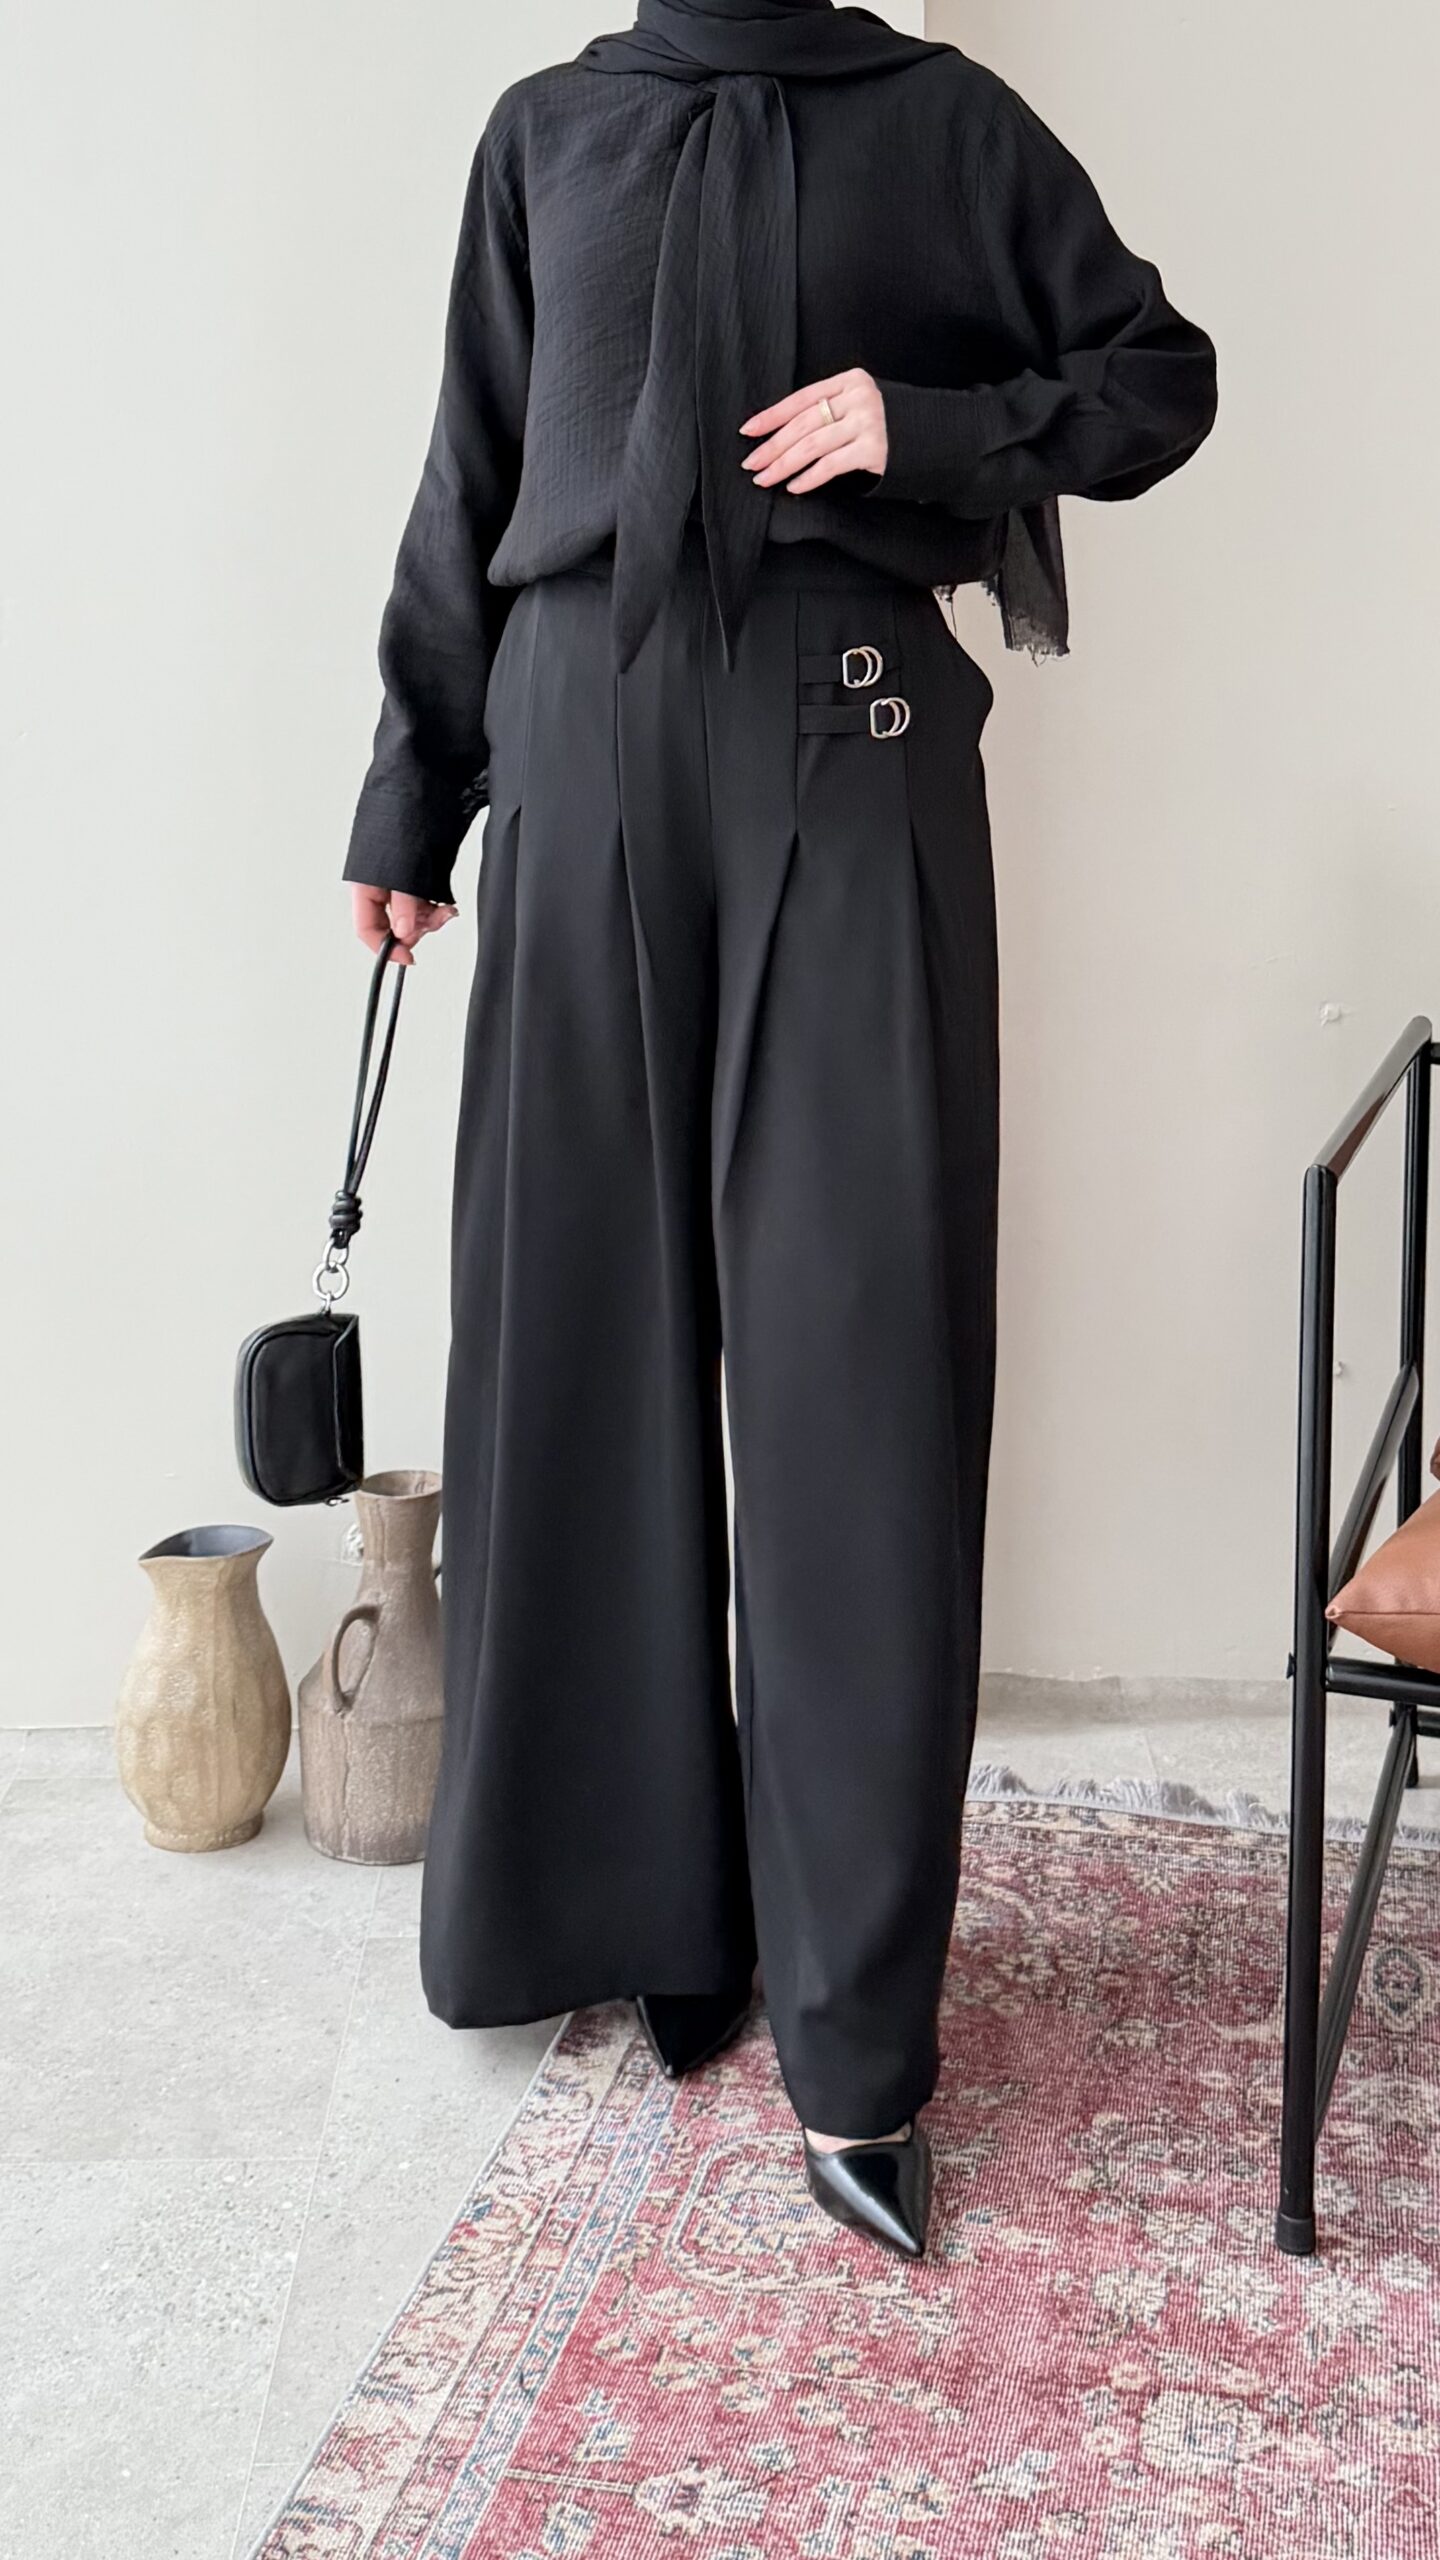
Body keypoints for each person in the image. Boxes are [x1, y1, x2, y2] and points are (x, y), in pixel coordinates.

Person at [344, 0, 1216, 2261]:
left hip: (853, 734)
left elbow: (1157, 378)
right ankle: (642, 1908)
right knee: (577, 1335)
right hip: (576, 740)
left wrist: (931, 424)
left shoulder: (947, 123)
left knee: (858, 1371)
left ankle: (858, 2031)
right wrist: (413, 790)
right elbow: (473, 455)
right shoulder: (550, 131)